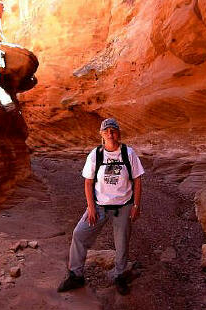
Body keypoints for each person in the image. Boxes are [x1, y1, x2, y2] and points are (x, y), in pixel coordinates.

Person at [57, 118, 145, 295]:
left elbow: (137, 180)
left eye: (113, 130)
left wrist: (136, 205)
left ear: (118, 133)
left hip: (123, 205)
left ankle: (120, 275)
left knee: (121, 243)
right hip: (99, 206)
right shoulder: (95, 155)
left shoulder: (129, 153)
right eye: (106, 131)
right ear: (101, 135)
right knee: (79, 234)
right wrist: (90, 207)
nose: (110, 134)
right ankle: (76, 274)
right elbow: (88, 183)